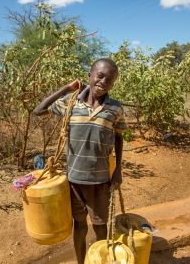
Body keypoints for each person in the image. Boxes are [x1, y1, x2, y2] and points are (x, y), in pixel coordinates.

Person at [33, 58, 127, 264]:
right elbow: (38, 111)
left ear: (113, 84)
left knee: (100, 226)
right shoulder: (70, 103)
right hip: (74, 180)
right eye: (100, 76)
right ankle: (81, 261)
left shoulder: (115, 109)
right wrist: (65, 89)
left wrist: (118, 169)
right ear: (90, 75)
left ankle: (102, 260)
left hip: (100, 181)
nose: (103, 82)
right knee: (80, 226)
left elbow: (119, 137)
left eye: (109, 80)